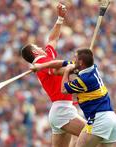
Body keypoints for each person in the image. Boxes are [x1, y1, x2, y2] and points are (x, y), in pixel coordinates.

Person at [21, 3, 86, 147]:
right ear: (35, 52)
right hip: (62, 110)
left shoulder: (45, 59)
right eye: (37, 47)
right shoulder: (43, 61)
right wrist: (75, 67)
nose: (41, 47)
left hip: (60, 111)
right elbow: (58, 69)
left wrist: (60, 20)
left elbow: (52, 40)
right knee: (93, 135)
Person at [31, 48, 116, 147]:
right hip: (112, 119)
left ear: (81, 62)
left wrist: (67, 71)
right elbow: (62, 63)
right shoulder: (93, 68)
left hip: (99, 120)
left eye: (75, 58)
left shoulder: (84, 80)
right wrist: (41, 66)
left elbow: (64, 90)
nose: (73, 60)